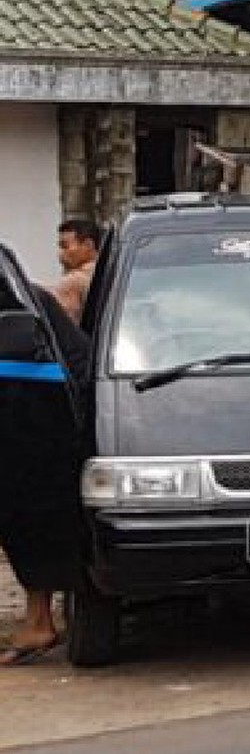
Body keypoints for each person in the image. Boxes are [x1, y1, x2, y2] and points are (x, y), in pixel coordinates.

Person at [0, 244, 90, 667]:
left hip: (39, 423)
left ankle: (40, 621)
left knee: (34, 519)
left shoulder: (26, 306)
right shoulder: (28, 297)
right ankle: (39, 619)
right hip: (39, 419)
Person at [52, 219, 100, 322]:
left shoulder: (74, 281)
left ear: (88, 245)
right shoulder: (113, 274)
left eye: (65, 246)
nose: (60, 255)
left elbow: (60, 325)